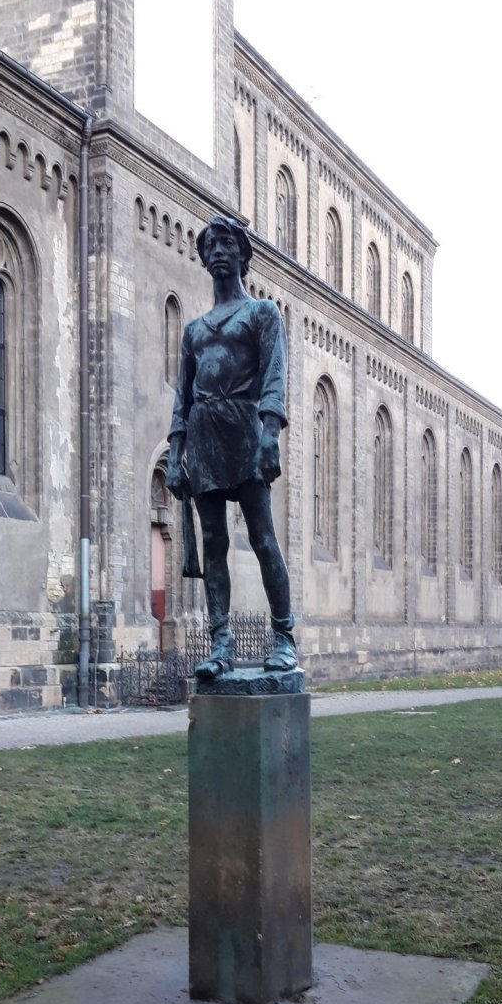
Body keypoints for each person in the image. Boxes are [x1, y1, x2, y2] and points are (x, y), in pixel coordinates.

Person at [166, 215, 296, 680]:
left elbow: (275, 375)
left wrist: (270, 434)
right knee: (213, 542)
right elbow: (182, 394)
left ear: (242, 255)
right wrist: (176, 453)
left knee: (263, 539)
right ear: (204, 260)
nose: (218, 250)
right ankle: (220, 642)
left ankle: (284, 637)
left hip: (244, 431)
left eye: (227, 243)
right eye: (211, 245)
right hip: (203, 439)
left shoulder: (262, 314)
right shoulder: (194, 332)